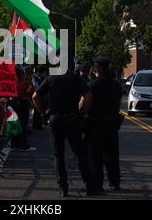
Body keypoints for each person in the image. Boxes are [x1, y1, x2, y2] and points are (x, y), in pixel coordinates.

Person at [32, 65, 91, 198]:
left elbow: (35, 96)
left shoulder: (51, 79)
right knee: (81, 153)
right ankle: (88, 184)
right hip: (72, 119)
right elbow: (88, 95)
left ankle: (63, 187)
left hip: (56, 119)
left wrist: (43, 113)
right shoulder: (76, 79)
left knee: (59, 156)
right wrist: (84, 112)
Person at [83, 57, 123, 195]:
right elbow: (118, 104)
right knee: (112, 155)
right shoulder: (117, 85)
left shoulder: (93, 85)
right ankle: (115, 182)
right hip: (112, 124)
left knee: (95, 156)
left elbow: (85, 103)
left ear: (97, 69)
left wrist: (84, 113)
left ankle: (97, 184)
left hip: (96, 124)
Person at [10, 66, 36, 151]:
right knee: (23, 124)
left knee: (15, 124)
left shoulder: (12, 83)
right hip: (22, 104)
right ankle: (24, 145)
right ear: (21, 74)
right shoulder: (23, 84)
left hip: (14, 104)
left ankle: (14, 144)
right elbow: (30, 91)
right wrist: (30, 83)